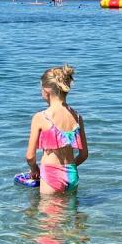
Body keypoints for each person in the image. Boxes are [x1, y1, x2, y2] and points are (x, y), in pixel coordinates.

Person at [25, 65, 88, 195]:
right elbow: (83, 155)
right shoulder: (77, 117)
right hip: (71, 174)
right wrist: (68, 169)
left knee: (49, 214)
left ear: (46, 90)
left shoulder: (41, 117)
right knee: (70, 212)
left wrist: (35, 170)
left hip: (51, 174)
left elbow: (30, 157)